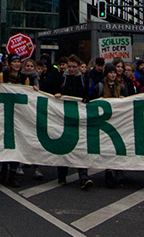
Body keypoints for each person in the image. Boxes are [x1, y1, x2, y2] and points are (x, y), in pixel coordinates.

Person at [51, 55, 93, 190]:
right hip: (64, 116)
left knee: (81, 146)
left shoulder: (83, 78)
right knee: (64, 146)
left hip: (79, 116)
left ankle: (83, 176)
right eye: (70, 66)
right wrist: (56, 94)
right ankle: (62, 174)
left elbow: (88, 93)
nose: (72, 69)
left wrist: (87, 97)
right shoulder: (62, 77)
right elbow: (51, 90)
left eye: (74, 66)